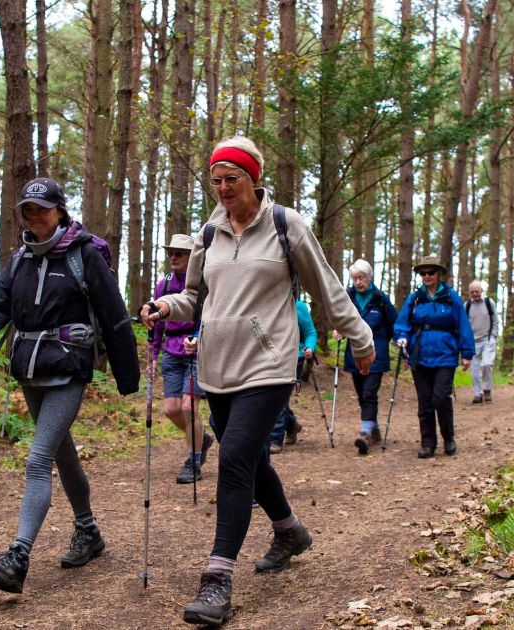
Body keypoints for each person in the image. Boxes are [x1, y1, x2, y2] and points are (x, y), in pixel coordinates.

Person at [140, 136, 374, 627]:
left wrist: (361, 340)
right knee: (249, 457)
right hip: (217, 366)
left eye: (233, 179)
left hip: (268, 365)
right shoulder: (208, 233)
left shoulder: (287, 226)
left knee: (233, 458)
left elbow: (327, 289)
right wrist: (166, 307)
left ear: (254, 180)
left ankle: (217, 578)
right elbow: (195, 296)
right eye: (217, 180)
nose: (224, 188)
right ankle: (289, 530)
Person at [0, 177, 140, 594]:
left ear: (60, 210)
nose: (35, 215)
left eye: (43, 208)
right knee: (62, 453)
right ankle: (88, 531)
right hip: (28, 367)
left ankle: (18, 555)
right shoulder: (19, 259)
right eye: (28, 209)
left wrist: (126, 374)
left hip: (68, 367)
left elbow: (113, 313)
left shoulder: (85, 255)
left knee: (38, 458)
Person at [394, 256, 474, 459]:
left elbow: (463, 325)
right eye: (423, 273)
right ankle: (428, 443)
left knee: (440, 397)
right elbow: (402, 323)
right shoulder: (415, 298)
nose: (427, 276)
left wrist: (466, 353)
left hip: (445, 354)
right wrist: (402, 338)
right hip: (419, 355)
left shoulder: (451, 297)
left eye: (431, 272)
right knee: (425, 401)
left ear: (439, 274)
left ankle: (448, 437)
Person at [152, 233, 216, 483]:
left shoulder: (203, 284)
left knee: (190, 408)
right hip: (172, 350)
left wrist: (199, 337)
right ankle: (202, 438)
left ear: (193, 258)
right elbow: (157, 323)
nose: (173, 257)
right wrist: (154, 352)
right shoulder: (163, 284)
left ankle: (193, 460)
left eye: (180, 253)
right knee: (171, 410)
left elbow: (208, 316)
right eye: (171, 252)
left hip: (196, 350)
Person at [333, 259, 398, 455]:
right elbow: (341, 319)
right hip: (354, 353)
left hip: (376, 353)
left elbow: (393, 323)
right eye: (355, 279)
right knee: (362, 394)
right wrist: (339, 330)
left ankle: (365, 433)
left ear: (369, 278)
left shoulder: (380, 298)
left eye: (361, 278)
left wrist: (392, 343)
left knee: (370, 392)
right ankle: (374, 427)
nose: (358, 282)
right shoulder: (348, 297)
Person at [268, 299, 315, 453]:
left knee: (278, 395)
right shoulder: (265, 303)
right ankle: (292, 424)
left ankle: (275, 439)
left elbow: (310, 332)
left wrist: (309, 347)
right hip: (269, 357)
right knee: (275, 397)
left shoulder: (298, 306)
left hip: (295, 357)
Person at [466, 280, 500, 404]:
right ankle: (477, 394)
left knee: (486, 364)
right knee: (474, 369)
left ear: (481, 291)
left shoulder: (488, 303)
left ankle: (487, 389)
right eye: (472, 292)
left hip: (487, 339)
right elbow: (465, 324)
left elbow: (495, 320)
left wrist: (493, 336)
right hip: (473, 342)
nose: (475, 294)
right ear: (470, 292)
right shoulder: (467, 305)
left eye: (477, 291)